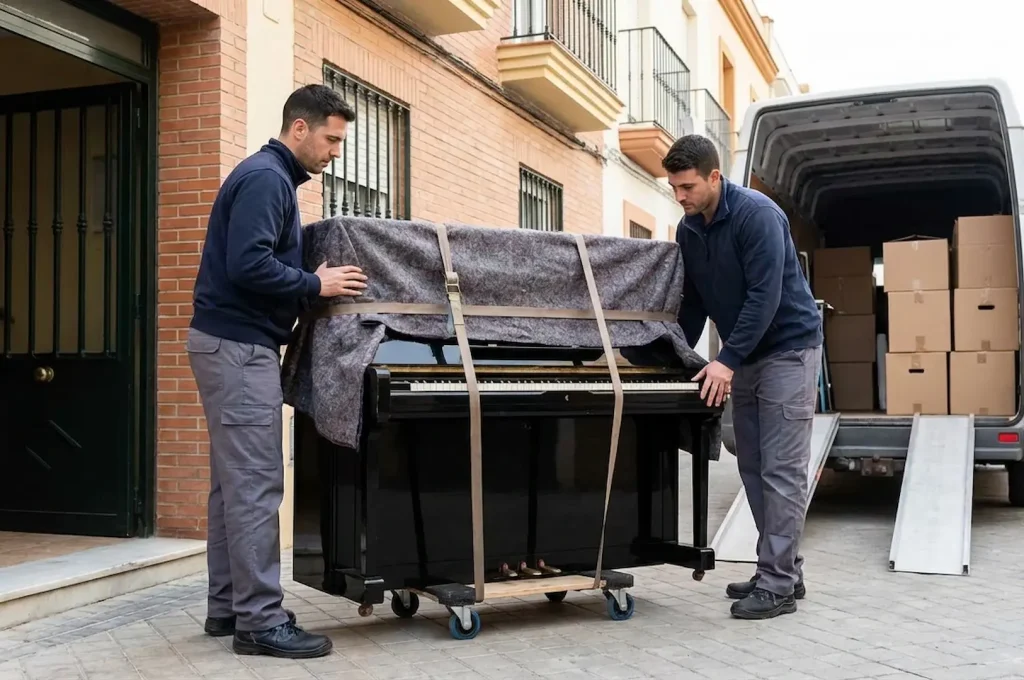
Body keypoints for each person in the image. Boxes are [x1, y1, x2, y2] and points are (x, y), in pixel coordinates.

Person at [186, 84, 367, 657]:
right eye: (331, 138)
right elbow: (248, 265)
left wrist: (303, 279)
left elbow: (257, 260)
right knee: (257, 487)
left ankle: (228, 609)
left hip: (228, 345)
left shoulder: (269, 177)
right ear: (299, 129)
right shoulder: (267, 178)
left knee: (232, 489)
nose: (335, 150)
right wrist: (318, 284)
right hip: (239, 349)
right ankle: (260, 623)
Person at [662, 135, 823, 620]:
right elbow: (693, 302)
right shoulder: (689, 229)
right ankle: (782, 570)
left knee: (782, 470)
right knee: (752, 467)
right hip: (745, 355)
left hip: (788, 351)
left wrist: (725, 360)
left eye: (687, 186)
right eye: (673, 188)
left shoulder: (758, 215)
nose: (681, 197)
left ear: (714, 176)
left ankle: (776, 586)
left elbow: (764, 297)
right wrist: (675, 355)